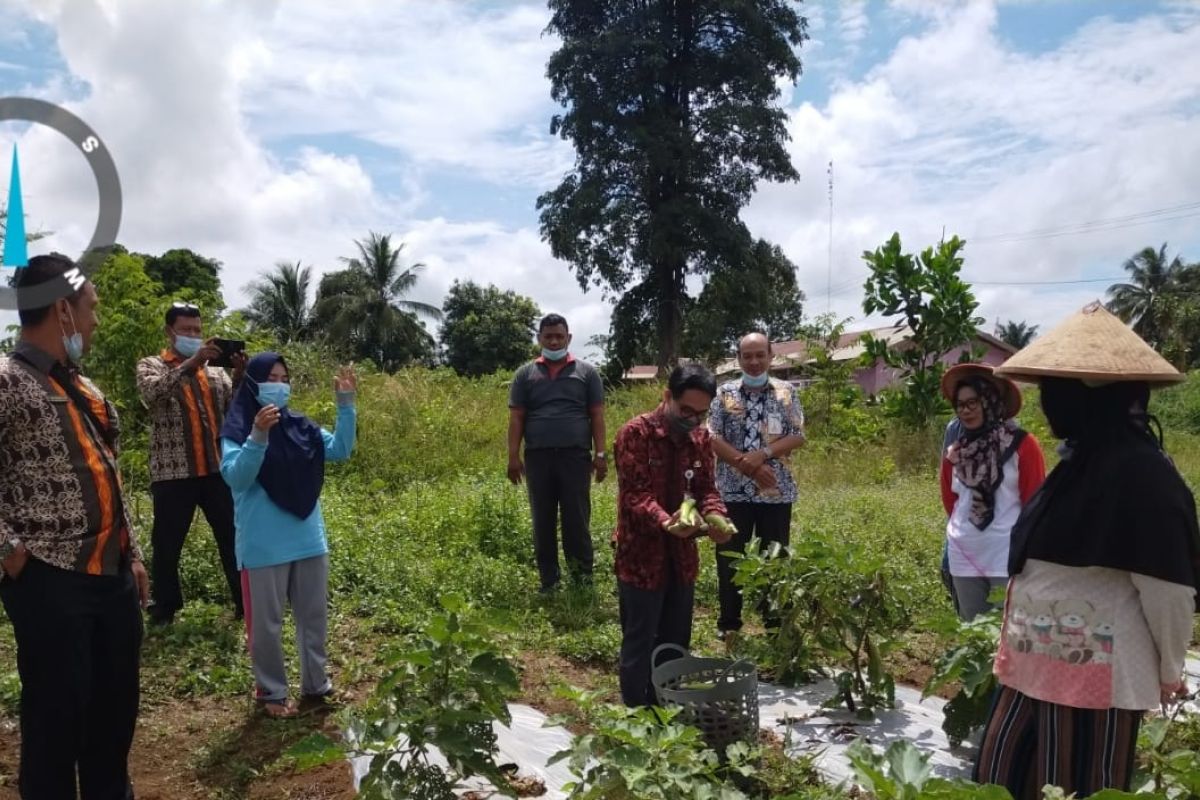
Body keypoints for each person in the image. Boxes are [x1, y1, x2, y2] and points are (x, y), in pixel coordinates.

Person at [976, 302, 1199, 798]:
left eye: (1057, 392)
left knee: (1079, 782)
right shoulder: (1079, 460)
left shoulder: (1144, 475)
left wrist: (1168, 670)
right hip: (1033, 664)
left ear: (1089, 399)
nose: (1048, 405)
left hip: (1094, 677)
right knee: (1001, 775)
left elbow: (1169, 589)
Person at [0, 253, 149, 799]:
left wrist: (132, 555)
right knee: (56, 727)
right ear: (63, 309)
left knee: (113, 724)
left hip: (111, 581)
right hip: (50, 581)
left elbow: (110, 475)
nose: (95, 319)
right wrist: (12, 552)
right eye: (91, 307)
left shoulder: (85, 389)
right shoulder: (7, 382)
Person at [219, 353, 357, 718]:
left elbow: (340, 450)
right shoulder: (238, 430)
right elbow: (236, 477)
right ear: (252, 383)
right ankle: (271, 692)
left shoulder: (302, 427)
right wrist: (258, 437)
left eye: (284, 378)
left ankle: (316, 683)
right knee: (266, 626)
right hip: (263, 547)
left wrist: (346, 405)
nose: (279, 385)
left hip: (308, 539)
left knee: (313, 618)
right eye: (270, 378)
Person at [612, 363, 736, 706]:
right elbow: (636, 495)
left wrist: (717, 517)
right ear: (667, 397)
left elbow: (707, 489)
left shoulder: (700, 439)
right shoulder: (635, 434)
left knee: (675, 639)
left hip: (681, 559)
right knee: (640, 639)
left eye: (700, 413)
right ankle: (637, 713)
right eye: (686, 410)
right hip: (640, 556)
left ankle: (669, 708)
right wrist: (667, 522)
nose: (693, 419)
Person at [136, 302, 246, 624]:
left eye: (197, 330)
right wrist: (190, 364)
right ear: (170, 332)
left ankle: (244, 601)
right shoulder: (151, 365)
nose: (194, 336)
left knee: (232, 537)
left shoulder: (216, 373)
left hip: (216, 469)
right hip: (173, 473)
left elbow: (234, 412)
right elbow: (153, 395)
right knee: (167, 544)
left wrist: (238, 378)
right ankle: (165, 609)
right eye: (186, 330)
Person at [707, 333, 805, 639]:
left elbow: (798, 434)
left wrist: (762, 456)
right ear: (738, 358)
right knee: (729, 557)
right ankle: (730, 625)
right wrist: (743, 463)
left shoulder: (787, 392)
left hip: (775, 492)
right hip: (732, 492)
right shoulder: (724, 393)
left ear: (771, 356)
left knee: (774, 558)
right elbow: (710, 436)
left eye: (759, 355)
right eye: (747, 356)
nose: (754, 362)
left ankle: (774, 624)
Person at [507, 314, 607, 593]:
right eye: (548, 336)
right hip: (537, 457)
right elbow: (517, 419)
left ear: (569, 338)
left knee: (576, 519)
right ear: (539, 338)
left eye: (559, 336)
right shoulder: (525, 375)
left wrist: (601, 455)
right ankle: (549, 582)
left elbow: (597, 415)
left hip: (575, 457)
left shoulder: (587, 373)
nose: (553, 341)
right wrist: (513, 457)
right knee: (543, 519)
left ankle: (582, 580)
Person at [939, 363, 1045, 621]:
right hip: (964, 553)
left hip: (1006, 555)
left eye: (973, 402)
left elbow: (1035, 502)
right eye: (960, 404)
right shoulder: (955, 452)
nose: (966, 411)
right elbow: (951, 502)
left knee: (1008, 636)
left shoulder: (1023, 445)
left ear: (990, 400)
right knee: (972, 634)